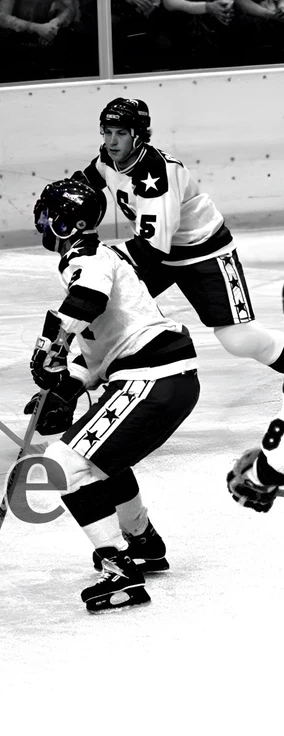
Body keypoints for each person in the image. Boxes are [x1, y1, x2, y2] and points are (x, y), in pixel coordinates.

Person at [28, 178, 200, 612]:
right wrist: (65, 388)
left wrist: (51, 344)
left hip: (152, 378)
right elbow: (101, 350)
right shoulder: (101, 256)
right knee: (102, 461)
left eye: (49, 212)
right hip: (164, 377)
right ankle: (142, 541)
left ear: (67, 222)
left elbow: (88, 300)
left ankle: (119, 570)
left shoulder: (86, 258)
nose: (43, 220)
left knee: (63, 466)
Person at [73, 98, 284, 375]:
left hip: (204, 254)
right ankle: (78, 379)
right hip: (161, 252)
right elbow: (85, 184)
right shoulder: (108, 157)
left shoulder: (156, 173)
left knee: (238, 339)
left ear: (138, 136)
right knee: (102, 308)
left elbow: (152, 248)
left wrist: (104, 258)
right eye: (107, 132)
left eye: (121, 133)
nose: (112, 141)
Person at [0, 0, 86, 80]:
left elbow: (69, 8)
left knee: (81, 42)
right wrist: (36, 28)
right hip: (16, 36)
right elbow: (2, 17)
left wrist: (55, 23)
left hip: (49, 31)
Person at [227, 383, 284, 513]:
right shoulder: (275, 456)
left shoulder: (275, 459)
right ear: (250, 482)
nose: (244, 454)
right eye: (238, 466)